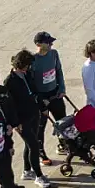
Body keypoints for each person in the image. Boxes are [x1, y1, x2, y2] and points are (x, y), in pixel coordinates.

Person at [0, 52, 48, 187]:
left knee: (29, 144)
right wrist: (15, 123)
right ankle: (39, 175)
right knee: (34, 145)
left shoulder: (27, 74)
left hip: (33, 113)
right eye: (26, 65)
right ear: (19, 64)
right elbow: (10, 105)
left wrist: (42, 107)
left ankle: (27, 171)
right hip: (22, 119)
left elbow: (35, 91)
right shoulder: (10, 81)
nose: (28, 68)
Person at [28, 32, 66, 167]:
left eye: (51, 42)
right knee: (40, 126)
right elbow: (30, 83)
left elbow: (59, 71)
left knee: (63, 121)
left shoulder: (54, 54)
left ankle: (64, 144)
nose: (51, 45)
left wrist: (62, 88)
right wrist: (38, 100)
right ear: (38, 44)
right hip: (41, 98)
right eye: (48, 42)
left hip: (54, 93)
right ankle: (41, 153)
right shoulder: (32, 60)